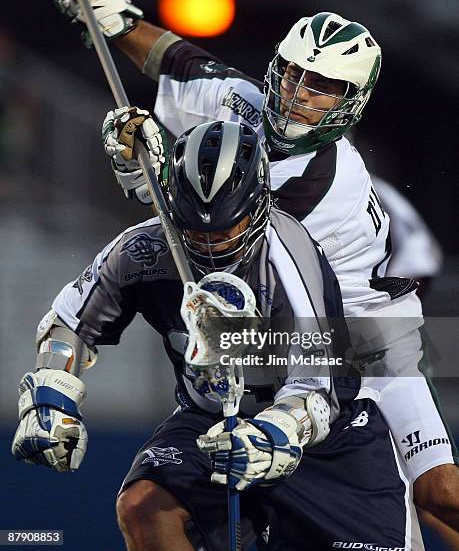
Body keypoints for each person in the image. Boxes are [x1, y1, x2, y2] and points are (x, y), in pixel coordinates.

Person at [43, 0, 459, 535]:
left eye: (323, 86)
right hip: (285, 329)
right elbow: (179, 62)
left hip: (359, 343)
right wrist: (110, 13)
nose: (299, 92)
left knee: (439, 493)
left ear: (353, 102)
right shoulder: (247, 102)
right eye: (293, 73)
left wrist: (150, 170)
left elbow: (225, 230)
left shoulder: (330, 183)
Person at [12, 119, 416, 550]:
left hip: (322, 439)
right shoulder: (141, 251)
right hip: (206, 420)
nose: (209, 246)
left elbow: (316, 391)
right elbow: (70, 322)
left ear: (258, 205)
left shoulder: (291, 260)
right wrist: (50, 397)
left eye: (225, 231)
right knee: (143, 506)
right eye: (194, 229)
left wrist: (273, 434)